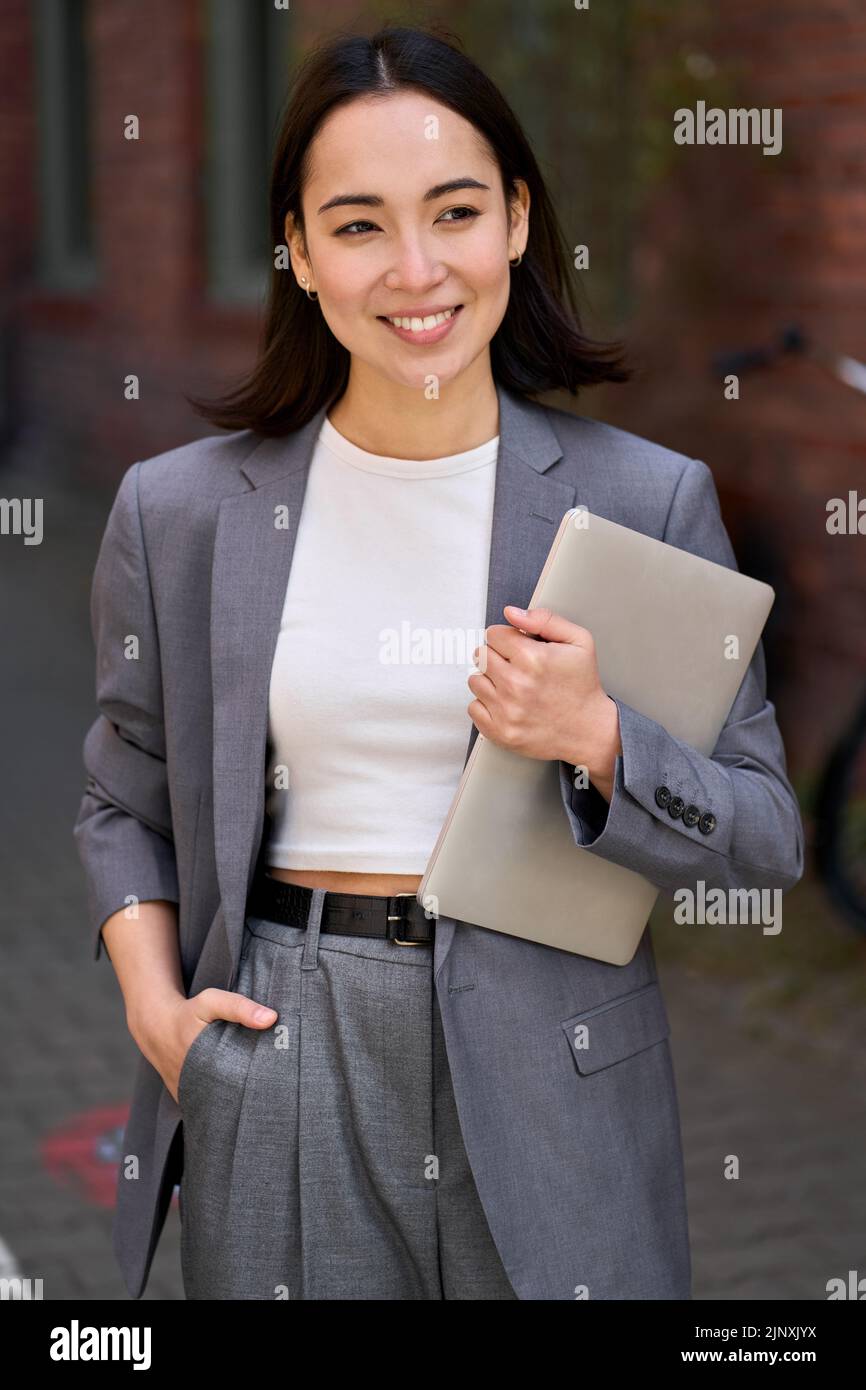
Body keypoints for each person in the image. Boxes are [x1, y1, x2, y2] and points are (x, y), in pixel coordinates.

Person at [73, 24, 804, 1301]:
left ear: (516, 222)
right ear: (295, 253)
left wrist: (600, 737)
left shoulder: (642, 499)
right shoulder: (182, 512)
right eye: (356, 226)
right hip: (282, 1038)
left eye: (454, 211)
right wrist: (156, 1009)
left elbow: (757, 836)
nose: (415, 270)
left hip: (551, 1052)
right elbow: (120, 795)